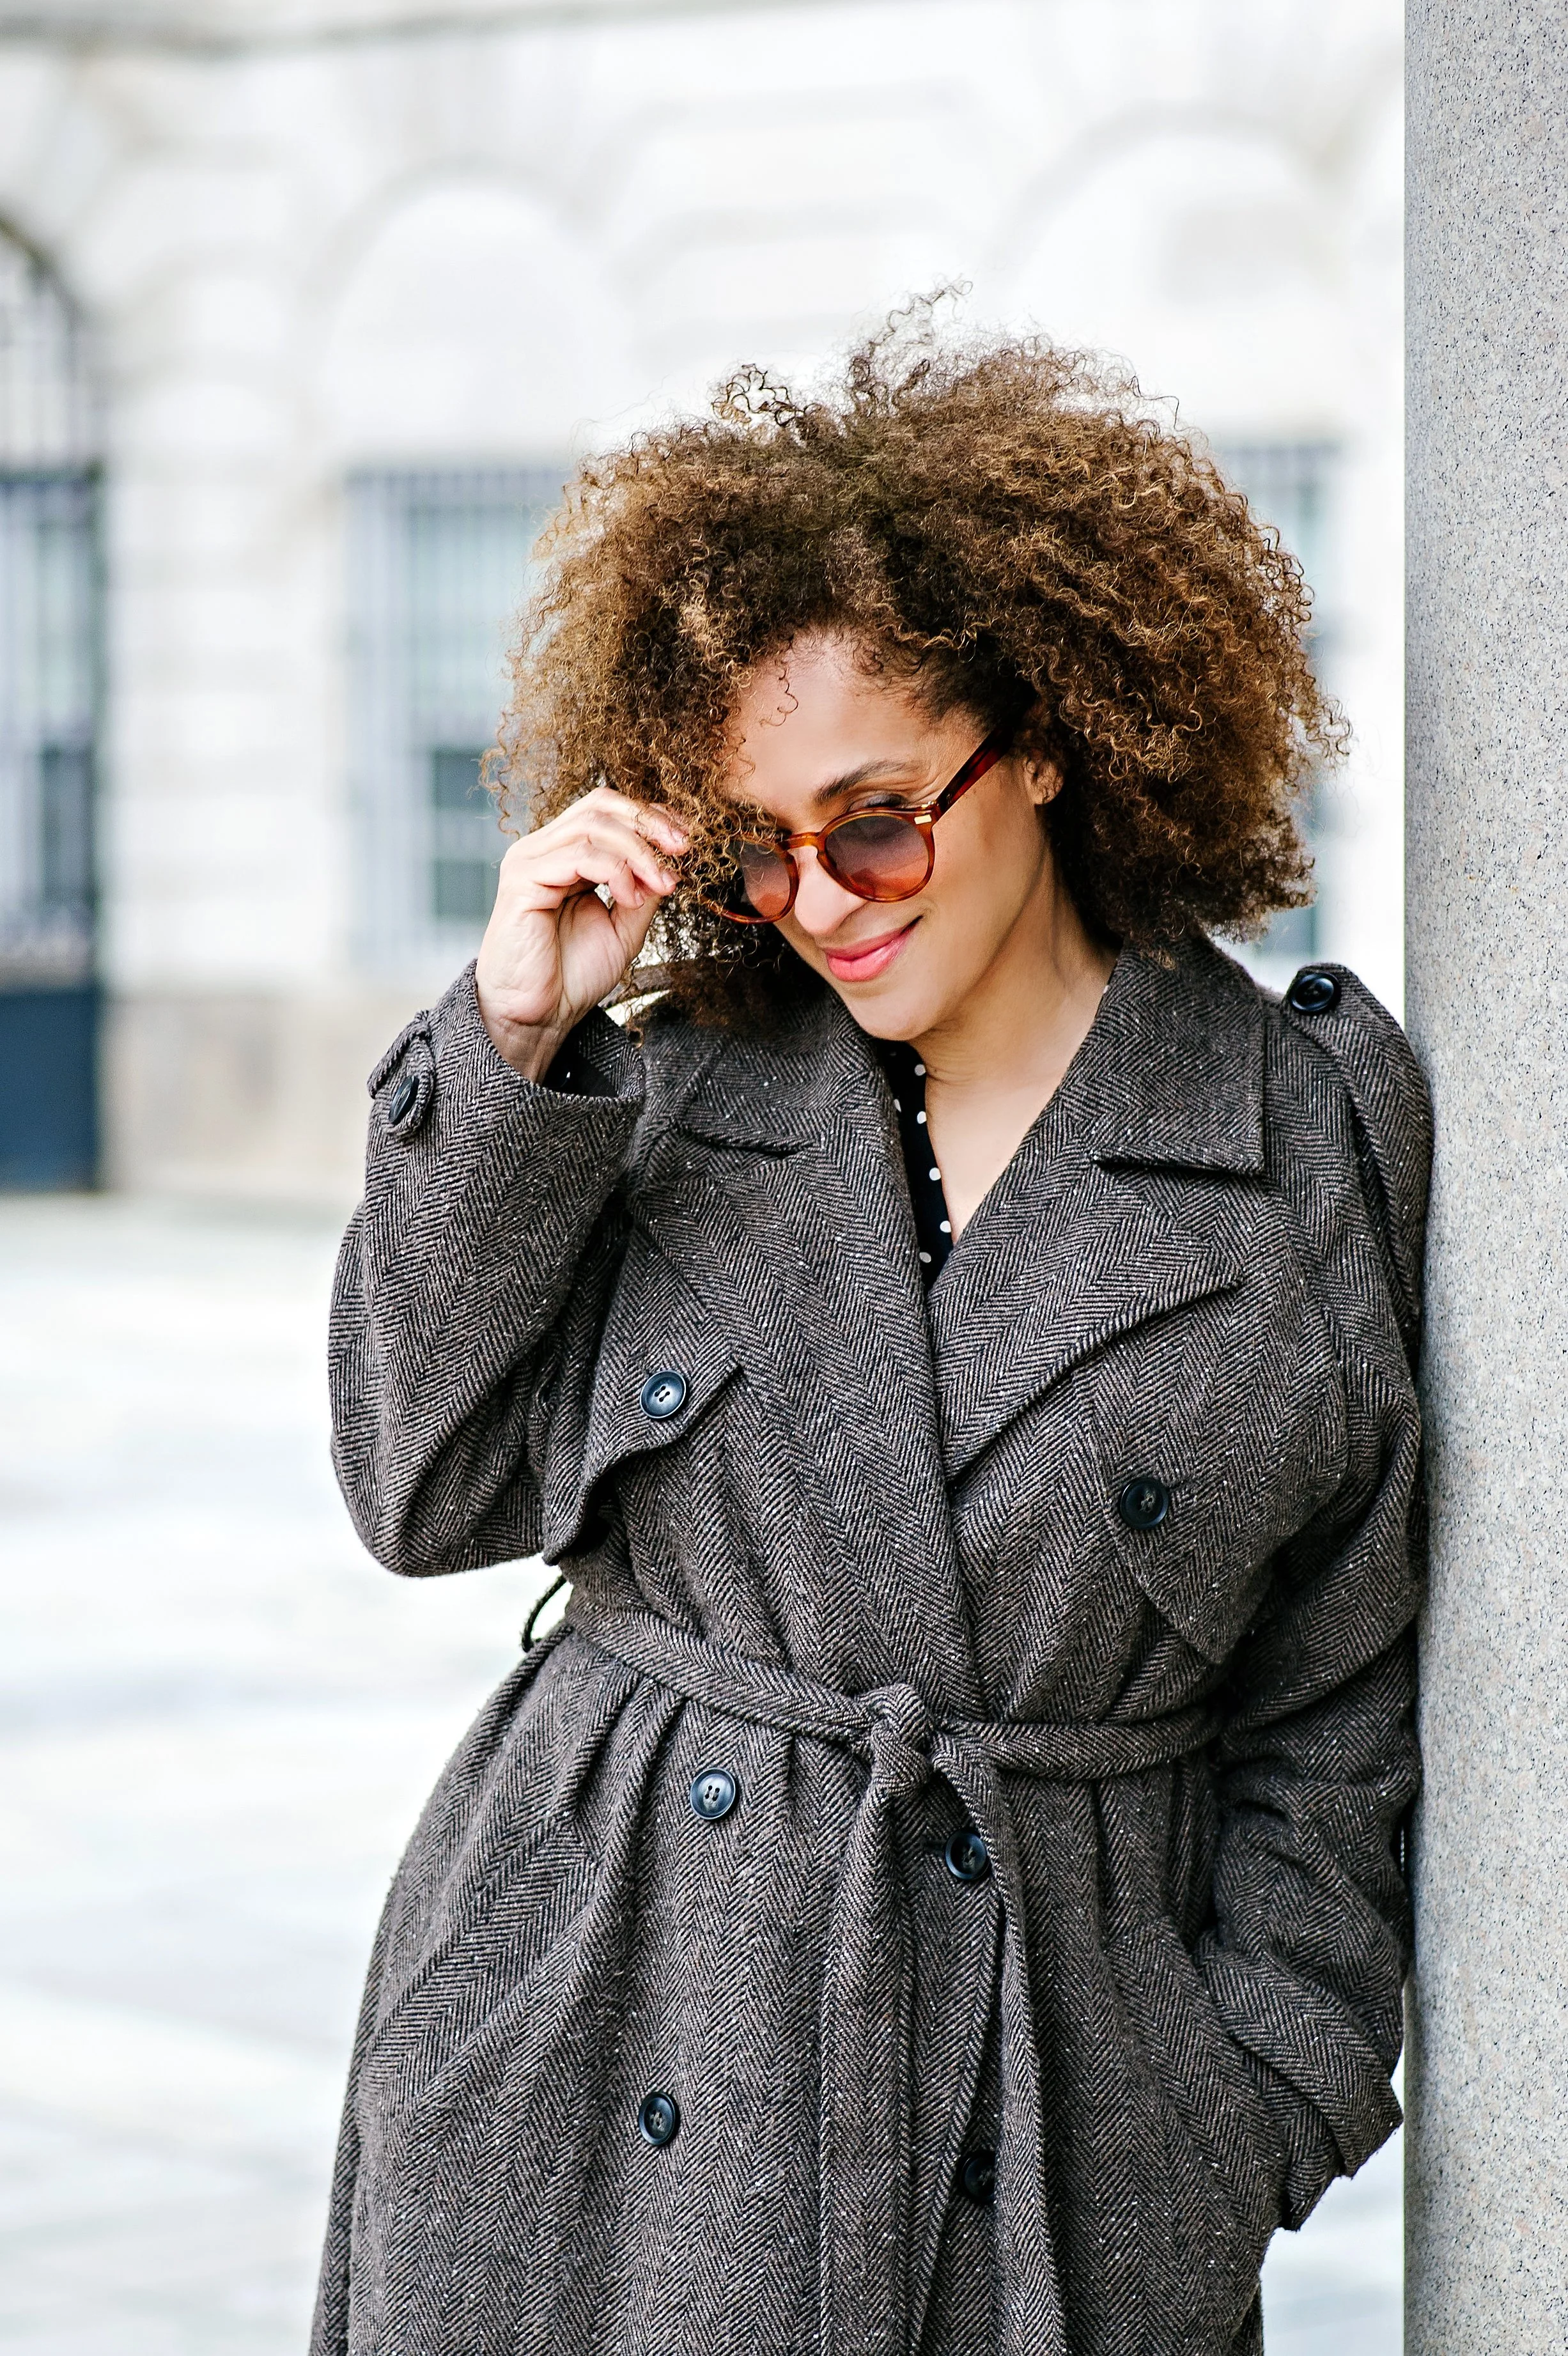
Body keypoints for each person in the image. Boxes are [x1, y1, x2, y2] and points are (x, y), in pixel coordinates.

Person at [312, 320, 1429, 2356]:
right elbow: (416, 1480)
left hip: (1048, 2130)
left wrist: (1243, 2098)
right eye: (757, 844)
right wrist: (511, 1035)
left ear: (1053, 737)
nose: (820, 899)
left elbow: (1336, 1709)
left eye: (879, 818)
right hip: (587, 2050)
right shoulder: (662, 1089)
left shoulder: (1290, 1144)